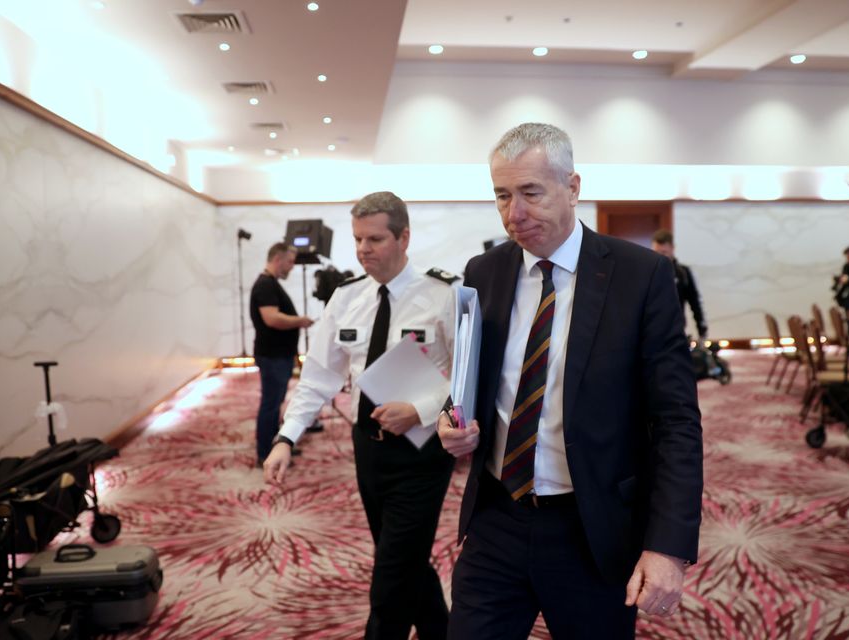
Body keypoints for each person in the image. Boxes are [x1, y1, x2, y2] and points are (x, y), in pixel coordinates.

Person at [438, 123, 703, 639]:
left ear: (573, 187)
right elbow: (470, 383)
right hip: (498, 516)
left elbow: (675, 421)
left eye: (531, 193)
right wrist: (456, 425)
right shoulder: (483, 271)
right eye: (502, 195)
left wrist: (667, 544)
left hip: (593, 526)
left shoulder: (640, 275)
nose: (514, 214)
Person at [263, 191, 457, 640]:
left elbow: (470, 376)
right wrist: (285, 439)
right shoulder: (346, 299)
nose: (363, 249)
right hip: (368, 450)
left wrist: (422, 409)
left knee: (391, 576)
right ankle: (440, 631)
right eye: (357, 239)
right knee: (402, 557)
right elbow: (317, 377)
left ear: (404, 237)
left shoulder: (444, 294)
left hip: (424, 452)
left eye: (375, 239)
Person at [250, 242, 314, 464]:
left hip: (278, 355)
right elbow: (272, 318)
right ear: (277, 259)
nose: (292, 266)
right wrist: (301, 321)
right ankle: (264, 453)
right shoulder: (265, 285)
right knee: (270, 404)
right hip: (272, 356)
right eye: (290, 261)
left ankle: (275, 446)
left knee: (275, 403)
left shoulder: (270, 283)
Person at [651, 229, 708, 339]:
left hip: (675, 328)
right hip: (651, 328)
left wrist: (701, 328)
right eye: (657, 252)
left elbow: (694, 302)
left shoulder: (683, 273)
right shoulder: (648, 272)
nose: (660, 257)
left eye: (664, 253)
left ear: (672, 248)